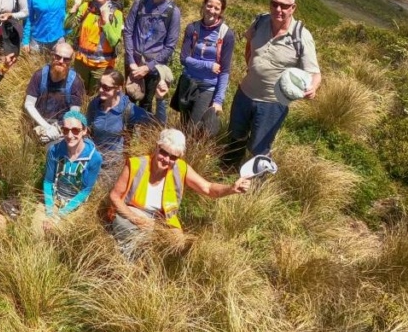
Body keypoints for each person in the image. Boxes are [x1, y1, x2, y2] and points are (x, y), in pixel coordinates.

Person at [106, 129, 251, 256]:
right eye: (164, 152)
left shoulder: (181, 169)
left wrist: (231, 188)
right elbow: (114, 196)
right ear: (157, 147)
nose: (167, 159)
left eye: (173, 157)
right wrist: (136, 219)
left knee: (178, 246)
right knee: (127, 227)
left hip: (163, 218)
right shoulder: (136, 164)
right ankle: (128, 261)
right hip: (134, 211)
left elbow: (208, 188)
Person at [225, 0, 321, 166]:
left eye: (284, 6)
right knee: (235, 135)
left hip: (273, 102)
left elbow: (315, 73)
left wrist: (313, 88)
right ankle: (228, 170)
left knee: (258, 147)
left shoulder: (301, 36)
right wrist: (251, 65)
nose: (278, 9)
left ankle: (257, 186)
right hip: (245, 93)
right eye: (274, 4)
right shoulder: (260, 21)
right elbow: (249, 43)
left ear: (293, 8)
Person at [174, 0, 236, 133]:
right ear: (203, 5)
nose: (212, 11)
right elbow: (183, 59)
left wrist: (218, 100)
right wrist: (209, 65)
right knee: (183, 123)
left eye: (216, 8)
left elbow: (225, 70)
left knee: (194, 127)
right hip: (188, 82)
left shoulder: (226, 34)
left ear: (222, 11)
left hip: (207, 87)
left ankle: (192, 154)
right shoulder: (192, 28)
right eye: (209, 6)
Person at [123, 0, 181, 116]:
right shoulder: (139, 3)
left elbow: (170, 46)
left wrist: (148, 67)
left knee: (146, 103)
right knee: (128, 97)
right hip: (133, 62)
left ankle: (140, 136)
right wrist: (131, 61)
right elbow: (128, 31)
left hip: (154, 65)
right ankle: (126, 133)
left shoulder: (173, 12)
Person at [35, 111, 103, 231]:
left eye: (75, 130)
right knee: (37, 229)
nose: (70, 135)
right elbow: (48, 181)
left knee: (62, 233)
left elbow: (85, 190)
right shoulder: (54, 151)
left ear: (84, 131)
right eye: (65, 130)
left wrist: (60, 214)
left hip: (76, 203)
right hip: (55, 198)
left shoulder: (94, 158)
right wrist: (50, 212)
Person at [65, 0, 125, 94]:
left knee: (96, 95)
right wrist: (76, 6)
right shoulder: (86, 7)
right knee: (77, 91)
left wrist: (106, 21)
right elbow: (67, 26)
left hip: (102, 65)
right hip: (81, 61)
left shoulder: (116, 14)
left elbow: (114, 41)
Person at [23, 42, 87, 143]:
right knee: (28, 148)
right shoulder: (39, 76)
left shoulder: (75, 81)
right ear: (52, 55)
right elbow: (28, 104)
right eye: (58, 57)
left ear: (70, 61)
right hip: (39, 121)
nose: (61, 61)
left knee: (53, 150)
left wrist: (59, 131)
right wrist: (47, 127)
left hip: (62, 126)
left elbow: (74, 113)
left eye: (66, 59)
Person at [85, 68, 146, 169]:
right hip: (93, 161)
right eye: (100, 85)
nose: (100, 90)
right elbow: (87, 131)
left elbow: (157, 121)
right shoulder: (95, 104)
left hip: (114, 165)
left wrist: (160, 99)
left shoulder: (127, 108)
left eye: (106, 88)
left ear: (118, 88)